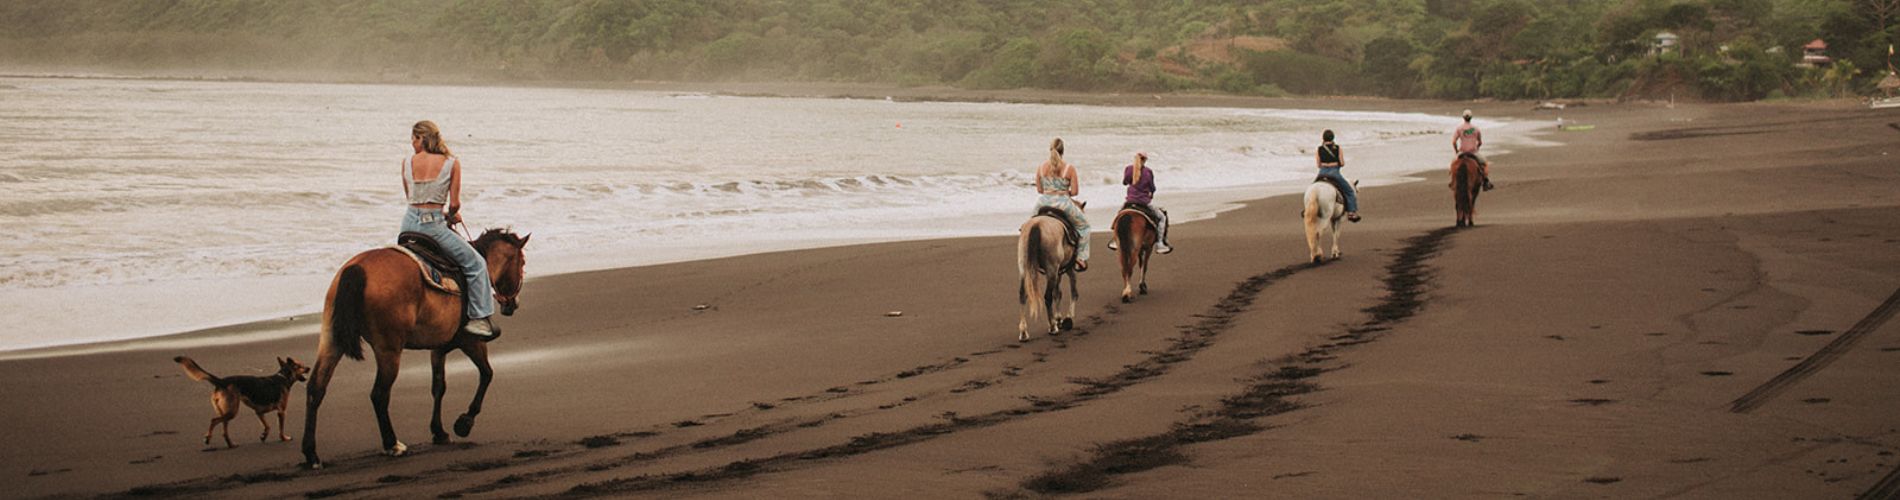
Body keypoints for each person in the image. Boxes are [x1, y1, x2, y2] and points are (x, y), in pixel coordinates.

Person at [400, 120, 499, 340]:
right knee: (476, 264)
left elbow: (412, 199)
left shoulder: (406, 162)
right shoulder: (451, 163)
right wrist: (451, 215)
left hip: (407, 226)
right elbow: (454, 204)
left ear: (421, 138)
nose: (412, 144)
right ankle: (480, 319)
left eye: (413, 139)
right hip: (433, 227)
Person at [1034, 138, 1090, 271]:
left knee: (1026, 227)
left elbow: (1039, 190)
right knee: (1084, 227)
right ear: (1063, 151)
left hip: (1042, 203)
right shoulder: (1069, 168)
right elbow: (1075, 192)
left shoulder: (1041, 168)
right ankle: (1080, 258)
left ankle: (1029, 254)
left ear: (1050, 150)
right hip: (1063, 203)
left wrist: (1050, 191)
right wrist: (1063, 191)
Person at [1107, 151, 1172, 254]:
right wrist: (1150, 193)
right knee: (1162, 217)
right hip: (1144, 202)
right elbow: (1152, 188)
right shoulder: (1148, 172)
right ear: (1145, 160)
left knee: (1119, 216)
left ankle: (1115, 239)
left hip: (1130, 200)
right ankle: (1160, 243)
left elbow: (1125, 182)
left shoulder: (1128, 169)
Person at [1315, 130, 1361, 222]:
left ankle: (1307, 209)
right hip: (1334, 173)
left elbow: (1318, 165)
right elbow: (1342, 163)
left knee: (1313, 189)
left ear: (1323, 138)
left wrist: (1326, 164)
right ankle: (1351, 213)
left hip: (1322, 173)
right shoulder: (1338, 148)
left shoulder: (1319, 149)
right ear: (1333, 138)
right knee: (1349, 191)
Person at [1452, 109, 1494, 191]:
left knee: (1453, 165)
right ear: (1471, 118)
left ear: (1463, 117)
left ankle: (1453, 181)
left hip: (1462, 152)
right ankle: (1485, 182)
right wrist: (1477, 147)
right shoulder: (1476, 129)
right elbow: (1480, 142)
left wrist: (1456, 151)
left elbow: (1454, 142)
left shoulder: (1459, 128)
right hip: (1473, 152)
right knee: (1485, 164)